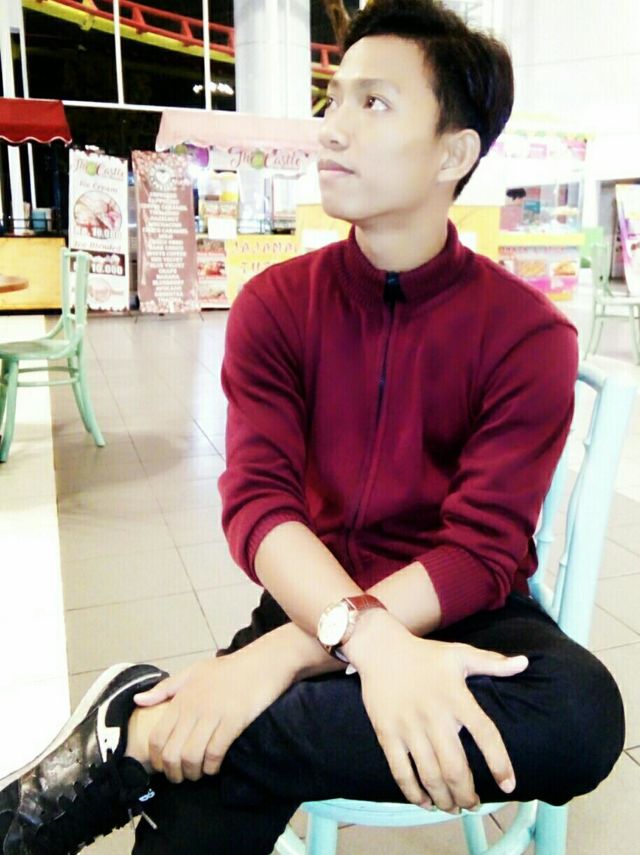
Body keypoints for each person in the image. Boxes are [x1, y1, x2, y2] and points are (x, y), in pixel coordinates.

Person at [0, 2, 624, 853]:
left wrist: (279, 660)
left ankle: (136, 735)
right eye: (333, 100)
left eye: (374, 103)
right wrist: (359, 639)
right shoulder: (277, 307)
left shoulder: (527, 335)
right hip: (312, 591)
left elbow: (481, 552)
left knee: (581, 715)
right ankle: (229, 733)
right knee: (197, 819)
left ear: (453, 152)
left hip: (463, 613)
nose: (330, 129)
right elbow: (260, 505)